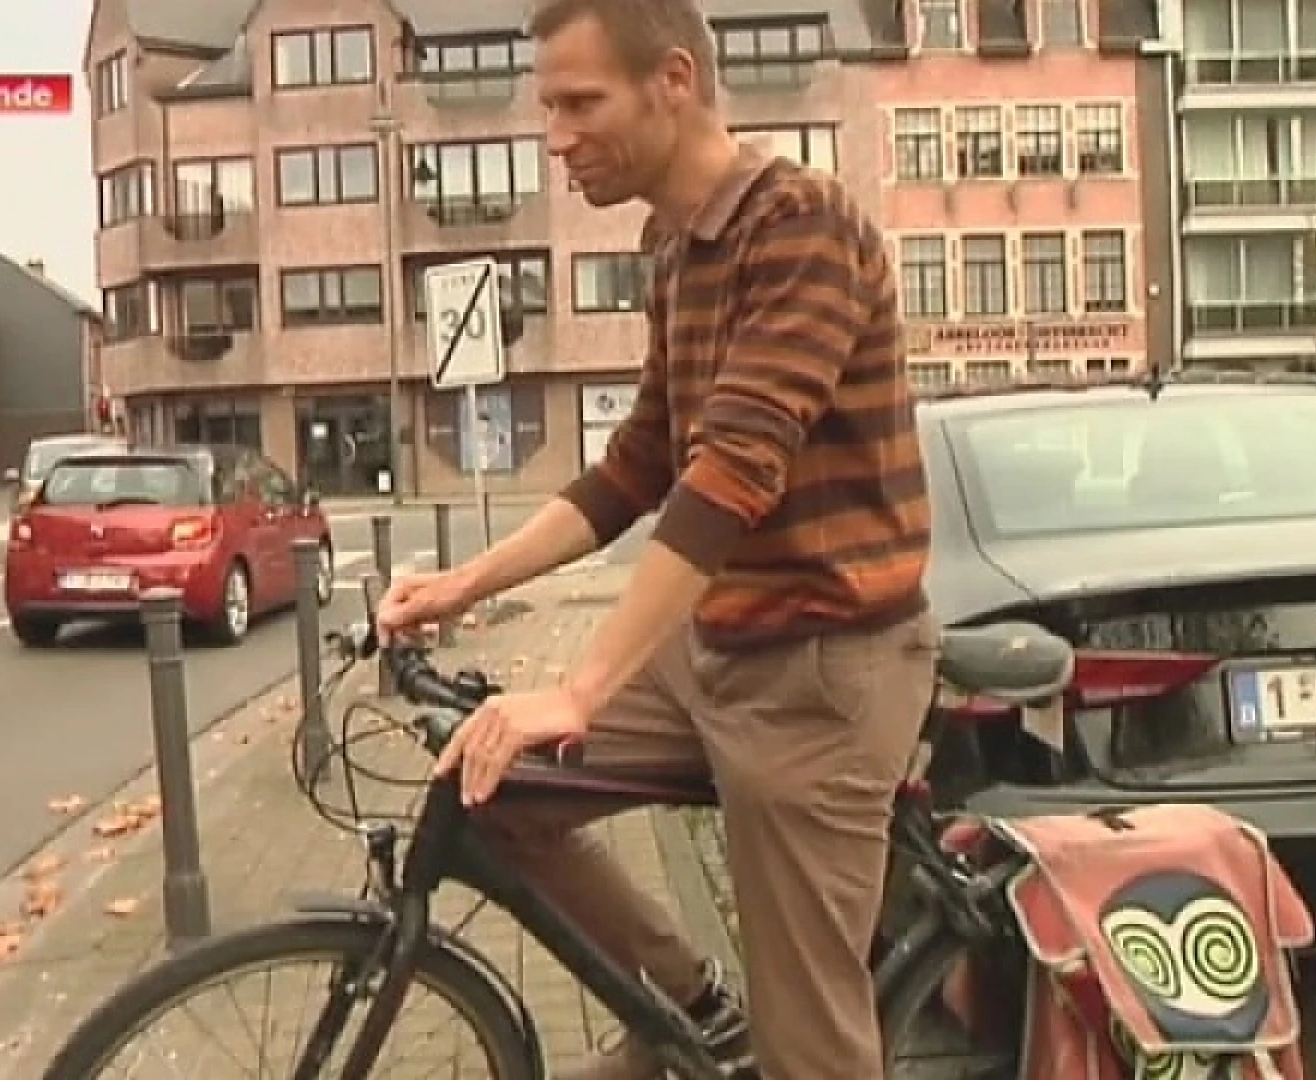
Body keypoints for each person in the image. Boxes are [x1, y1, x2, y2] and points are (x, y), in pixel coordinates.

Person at [373, 1, 936, 1077]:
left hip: (825, 669)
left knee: (812, 1048)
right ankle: (691, 1009)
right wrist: (462, 584)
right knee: (487, 790)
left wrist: (578, 690)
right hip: (721, 647)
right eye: (549, 106)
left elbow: (729, 475)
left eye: (581, 102)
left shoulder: (802, 226)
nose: (555, 136)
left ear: (673, 80)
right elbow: (640, 464)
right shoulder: (673, 247)